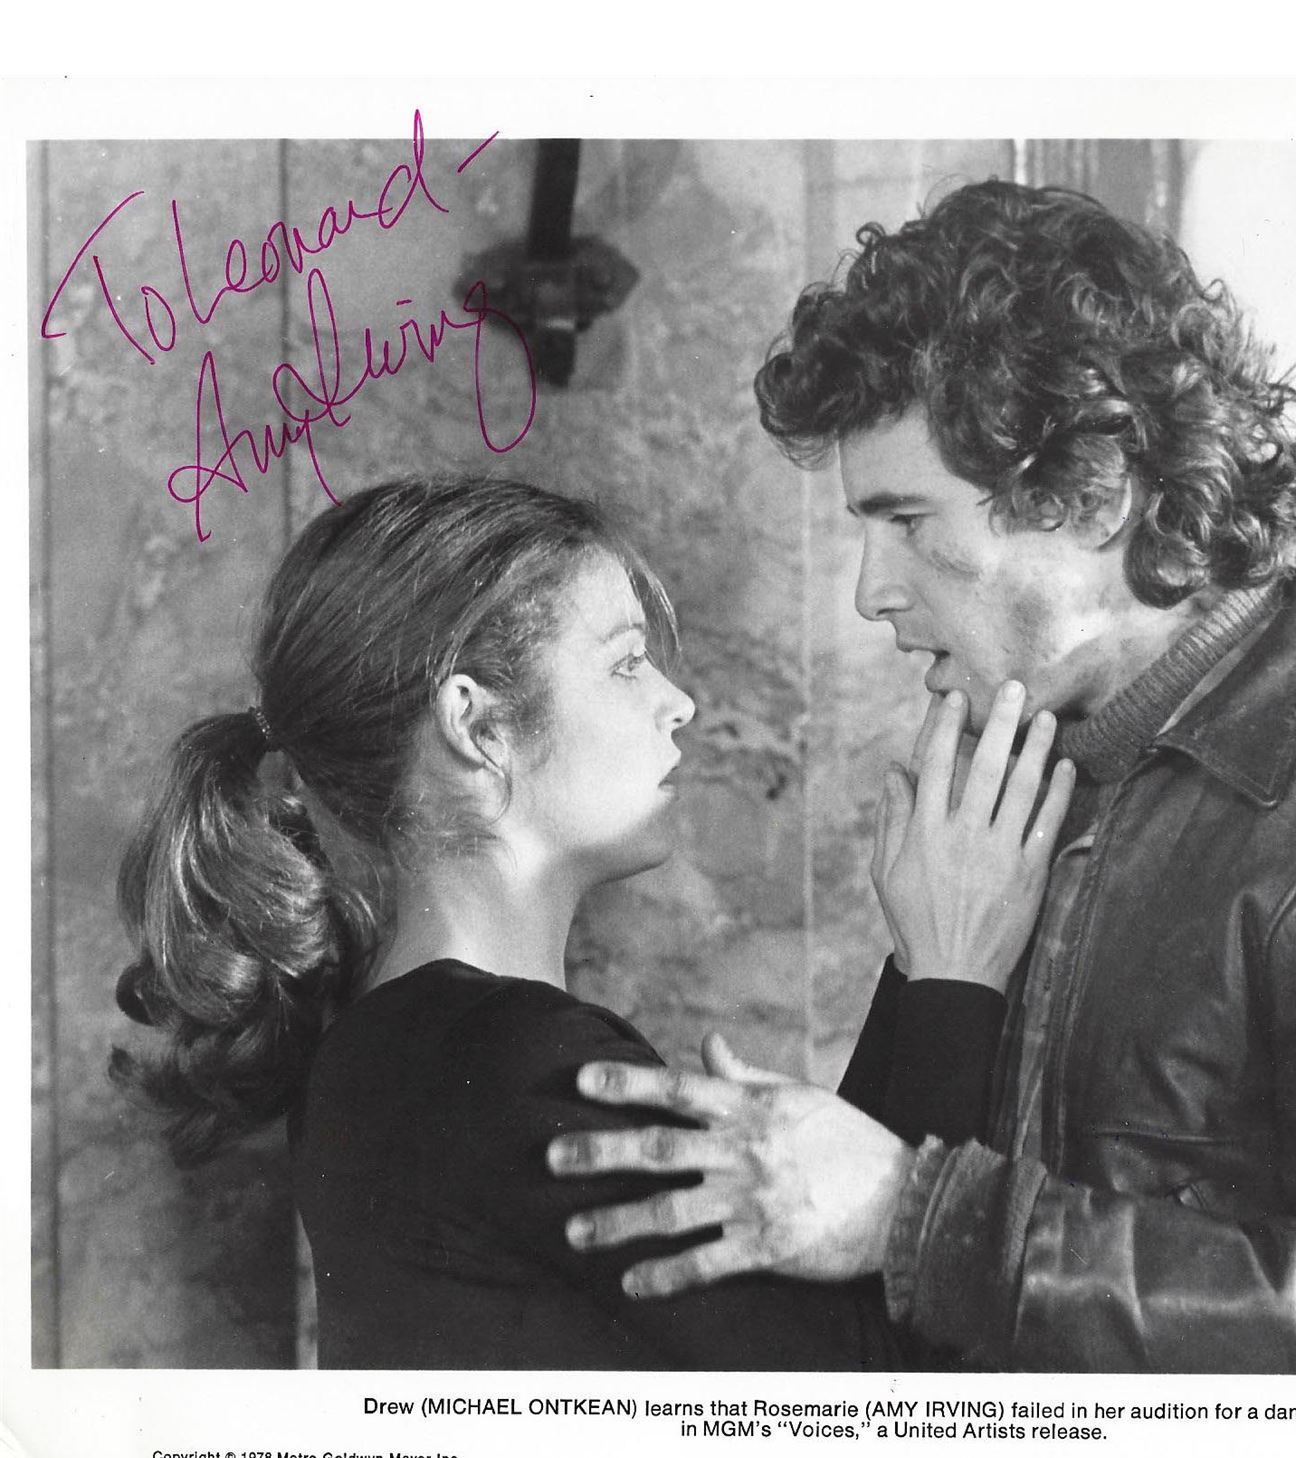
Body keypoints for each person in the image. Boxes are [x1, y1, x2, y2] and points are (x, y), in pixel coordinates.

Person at [546, 179, 1296, 1375]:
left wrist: (920, 1218)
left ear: (1097, 497)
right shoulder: (1045, 773)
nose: (870, 591)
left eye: (908, 522)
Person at [111, 475, 1070, 1370]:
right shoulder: (510, 1063)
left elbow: (830, 1285)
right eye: (625, 663)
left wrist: (919, 965)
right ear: (477, 726)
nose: (678, 703)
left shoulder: (398, 1048)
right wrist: (953, 980)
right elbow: (889, 1404)